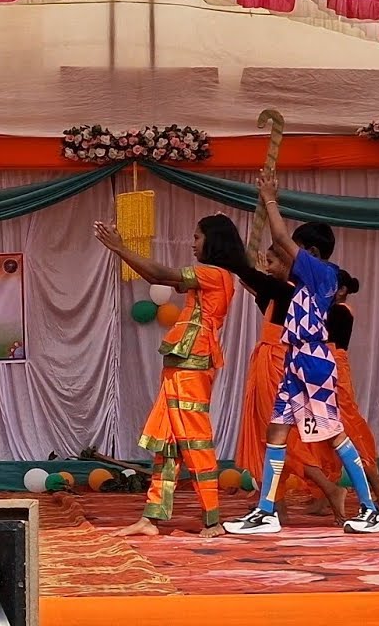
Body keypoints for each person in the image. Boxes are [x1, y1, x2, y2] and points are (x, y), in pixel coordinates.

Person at [224, 174, 379, 536]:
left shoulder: (321, 273)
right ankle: (267, 511)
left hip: (313, 361)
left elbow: (281, 239)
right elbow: (265, 279)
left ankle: (370, 509)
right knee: (276, 431)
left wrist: (269, 199)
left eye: (292, 252)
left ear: (309, 253)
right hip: (295, 361)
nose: (286, 256)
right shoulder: (300, 283)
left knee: (335, 435)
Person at [94, 214, 248, 538]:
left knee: (194, 439)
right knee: (167, 442)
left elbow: (161, 274)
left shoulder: (216, 274)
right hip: (181, 362)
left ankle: (213, 520)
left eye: (197, 237)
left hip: (193, 363)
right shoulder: (211, 276)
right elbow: (157, 277)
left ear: (213, 241)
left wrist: (120, 248)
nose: (193, 244)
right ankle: (151, 517)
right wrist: (119, 250)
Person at [233, 245, 347, 523]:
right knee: (269, 436)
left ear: (288, 264)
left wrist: (231, 255)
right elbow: (252, 283)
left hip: (278, 365)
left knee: (280, 438)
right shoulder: (279, 293)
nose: (268, 267)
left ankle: (329, 489)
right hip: (269, 363)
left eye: (272, 262)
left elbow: (252, 278)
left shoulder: (288, 290)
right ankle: (276, 503)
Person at [302, 269, 379, 516]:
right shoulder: (326, 308)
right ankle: (323, 494)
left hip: (333, 371)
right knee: (319, 434)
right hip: (317, 368)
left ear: (341, 290)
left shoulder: (341, 311)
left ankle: (377, 484)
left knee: (347, 429)